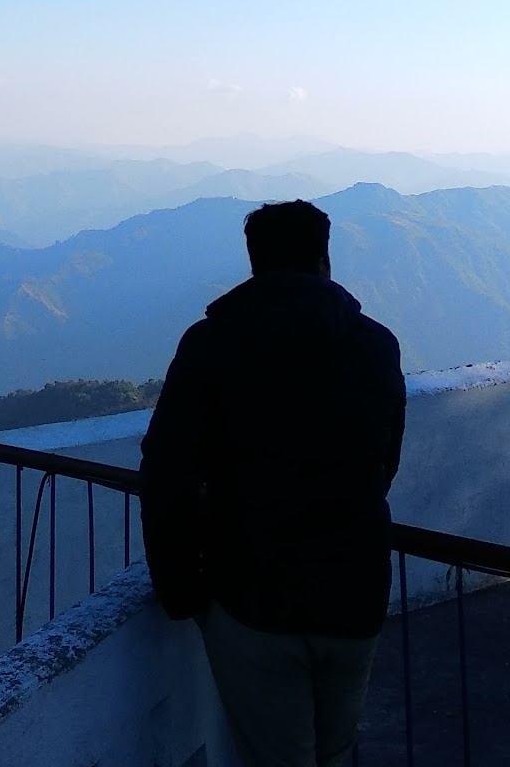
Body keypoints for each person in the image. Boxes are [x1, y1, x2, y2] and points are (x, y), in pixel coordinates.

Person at [140, 199, 406, 767]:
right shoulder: (376, 344)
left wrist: (181, 588)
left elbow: (168, 469)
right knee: (335, 751)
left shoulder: (211, 345)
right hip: (356, 594)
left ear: (254, 262)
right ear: (324, 258)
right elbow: (385, 462)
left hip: (253, 598)